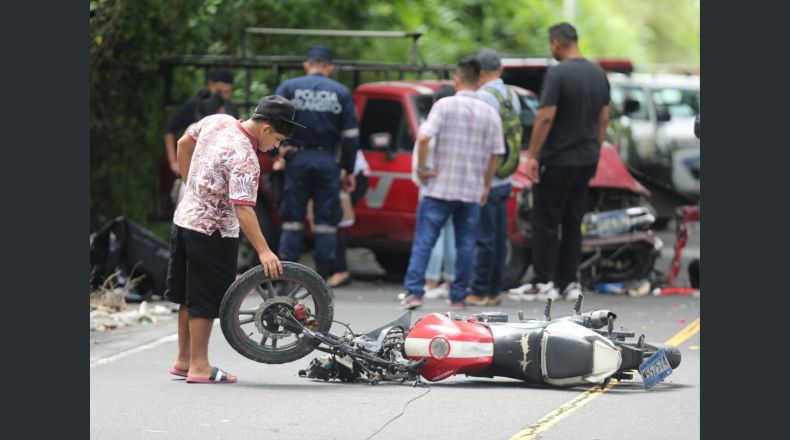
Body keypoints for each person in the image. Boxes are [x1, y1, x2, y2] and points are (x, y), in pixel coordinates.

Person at [165, 95, 303, 383]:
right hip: (213, 231)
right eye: (277, 139)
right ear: (265, 129)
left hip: (184, 220)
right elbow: (243, 207)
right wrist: (264, 251)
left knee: (188, 294)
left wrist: (191, 185)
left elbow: (182, 144)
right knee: (204, 299)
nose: (275, 147)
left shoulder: (218, 121)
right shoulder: (246, 158)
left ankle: (183, 360)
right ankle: (200, 367)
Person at [507, 23, 610, 302]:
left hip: (558, 160)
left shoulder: (558, 73)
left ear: (556, 43)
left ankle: (543, 281)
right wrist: (595, 149)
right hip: (586, 159)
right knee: (573, 220)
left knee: (546, 221)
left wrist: (534, 155)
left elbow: (545, 116)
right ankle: (568, 281)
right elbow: (603, 117)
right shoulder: (597, 73)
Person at [400, 57, 505, 310]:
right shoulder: (489, 113)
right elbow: (496, 153)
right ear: (480, 81)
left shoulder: (444, 105)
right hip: (470, 190)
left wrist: (422, 168)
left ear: (457, 80)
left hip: (438, 188)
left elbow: (424, 137)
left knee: (425, 240)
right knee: (466, 244)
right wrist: (486, 185)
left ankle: (414, 293)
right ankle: (458, 297)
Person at [274, 46, 359, 280]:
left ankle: (285, 277)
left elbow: (270, 121)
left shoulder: (289, 87)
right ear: (329, 68)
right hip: (327, 161)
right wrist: (348, 169)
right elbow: (351, 136)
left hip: (296, 159)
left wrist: (279, 151)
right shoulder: (340, 92)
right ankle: (322, 278)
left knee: (292, 219)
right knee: (326, 222)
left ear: (306, 65)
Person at [466, 49, 521, 307]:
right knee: (499, 238)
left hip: (486, 178)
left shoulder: (483, 98)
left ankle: (478, 290)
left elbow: (479, 141)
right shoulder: (512, 95)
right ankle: (494, 290)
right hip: (505, 175)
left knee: (484, 237)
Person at [410, 84, 457, 300]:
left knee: (431, 237)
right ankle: (451, 281)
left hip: (431, 187)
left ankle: (430, 281)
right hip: (456, 187)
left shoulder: (430, 126)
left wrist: (420, 174)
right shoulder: (459, 126)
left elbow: (420, 150)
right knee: (452, 236)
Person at [164, 68, 239, 178]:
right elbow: (171, 130)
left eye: (227, 92)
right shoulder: (196, 105)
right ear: (211, 85)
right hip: (193, 170)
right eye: (219, 92)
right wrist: (174, 162)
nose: (223, 96)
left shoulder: (231, 109)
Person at [327, 150, 370, 288]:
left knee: (336, 221)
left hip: (350, 173)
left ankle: (340, 271)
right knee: (332, 221)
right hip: (343, 171)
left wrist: (348, 172)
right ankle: (336, 270)